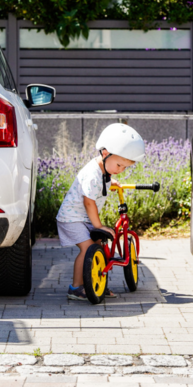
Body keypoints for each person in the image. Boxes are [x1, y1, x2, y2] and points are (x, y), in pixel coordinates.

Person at [56, 123, 146, 301]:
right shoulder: (92, 174)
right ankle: (76, 287)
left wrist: (111, 182)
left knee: (99, 245)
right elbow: (88, 202)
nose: (120, 170)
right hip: (71, 218)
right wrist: (99, 226)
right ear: (105, 154)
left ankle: (96, 283)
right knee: (88, 248)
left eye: (124, 168)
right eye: (119, 165)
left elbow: (103, 180)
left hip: (81, 218)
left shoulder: (103, 170)